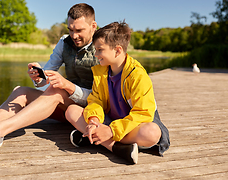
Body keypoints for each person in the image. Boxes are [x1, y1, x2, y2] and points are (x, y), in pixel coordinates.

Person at [0, 3, 100, 151]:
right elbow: (47, 78)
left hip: (94, 111)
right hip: (69, 105)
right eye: (70, 29)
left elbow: (103, 97)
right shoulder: (64, 42)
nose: (74, 35)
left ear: (93, 26)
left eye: (79, 30)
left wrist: (68, 86)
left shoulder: (103, 47)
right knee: (21, 91)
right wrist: (39, 78)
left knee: (58, 91)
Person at [65, 21, 170, 164]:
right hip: (110, 120)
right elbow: (95, 101)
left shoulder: (138, 76)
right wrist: (94, 120)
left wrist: (111, 131)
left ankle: (93, 138)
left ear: (118, 50)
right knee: (71, 111)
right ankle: (115, 147)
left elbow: (143, 113)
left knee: (152, 133)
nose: (96, 54)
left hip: (134, 124)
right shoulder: (101, 72)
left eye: (100, 50)